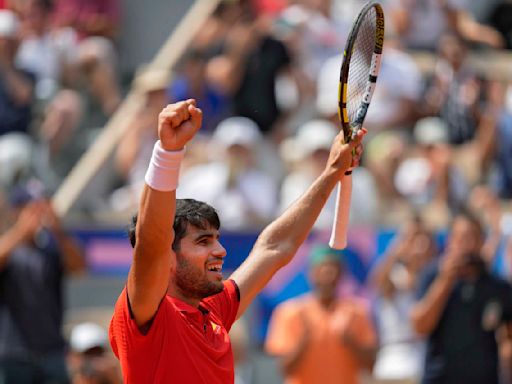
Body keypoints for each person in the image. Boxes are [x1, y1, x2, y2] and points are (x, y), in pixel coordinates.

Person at [109, 99, 366, 382]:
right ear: (167, 255)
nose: (220, 251)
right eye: (203, 241)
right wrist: (168, 152)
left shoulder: (215, 308)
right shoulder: (148, 313)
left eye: (216, 240)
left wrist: (331, 173)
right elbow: (151, 241)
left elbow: (274, 246)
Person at [411, 209, 512, 384]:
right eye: (462, 238)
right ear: (451, 240)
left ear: (482, 242)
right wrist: (445, 281)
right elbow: (419, 326)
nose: (468, 245)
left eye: (474, 237)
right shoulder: (432, 275)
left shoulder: (497, 287)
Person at [0, 179, 85, 383]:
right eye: (30, 208)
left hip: (52, 351)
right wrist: (21, 230)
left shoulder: (51, 249)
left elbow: (79, 267)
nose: (37, 215)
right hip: (13, 353)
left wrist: (58, 230)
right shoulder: (9, 246)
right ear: (16, 211)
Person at [265, 245, 377, 384]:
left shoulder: (357, 311)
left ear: (341, 274)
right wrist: (303, 341)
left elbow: (371, 365)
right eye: (322, 269)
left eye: (333, 269)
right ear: (310, 273)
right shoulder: (290, 312)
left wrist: (351, 341)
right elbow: (283, 369)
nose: (328, 275)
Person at [370, 216, 436, 383]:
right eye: (412, 241)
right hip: (393, 361)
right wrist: (399, 246)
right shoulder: (394, 275)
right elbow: (378, 283)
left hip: (424, 359)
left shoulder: (436, 280)